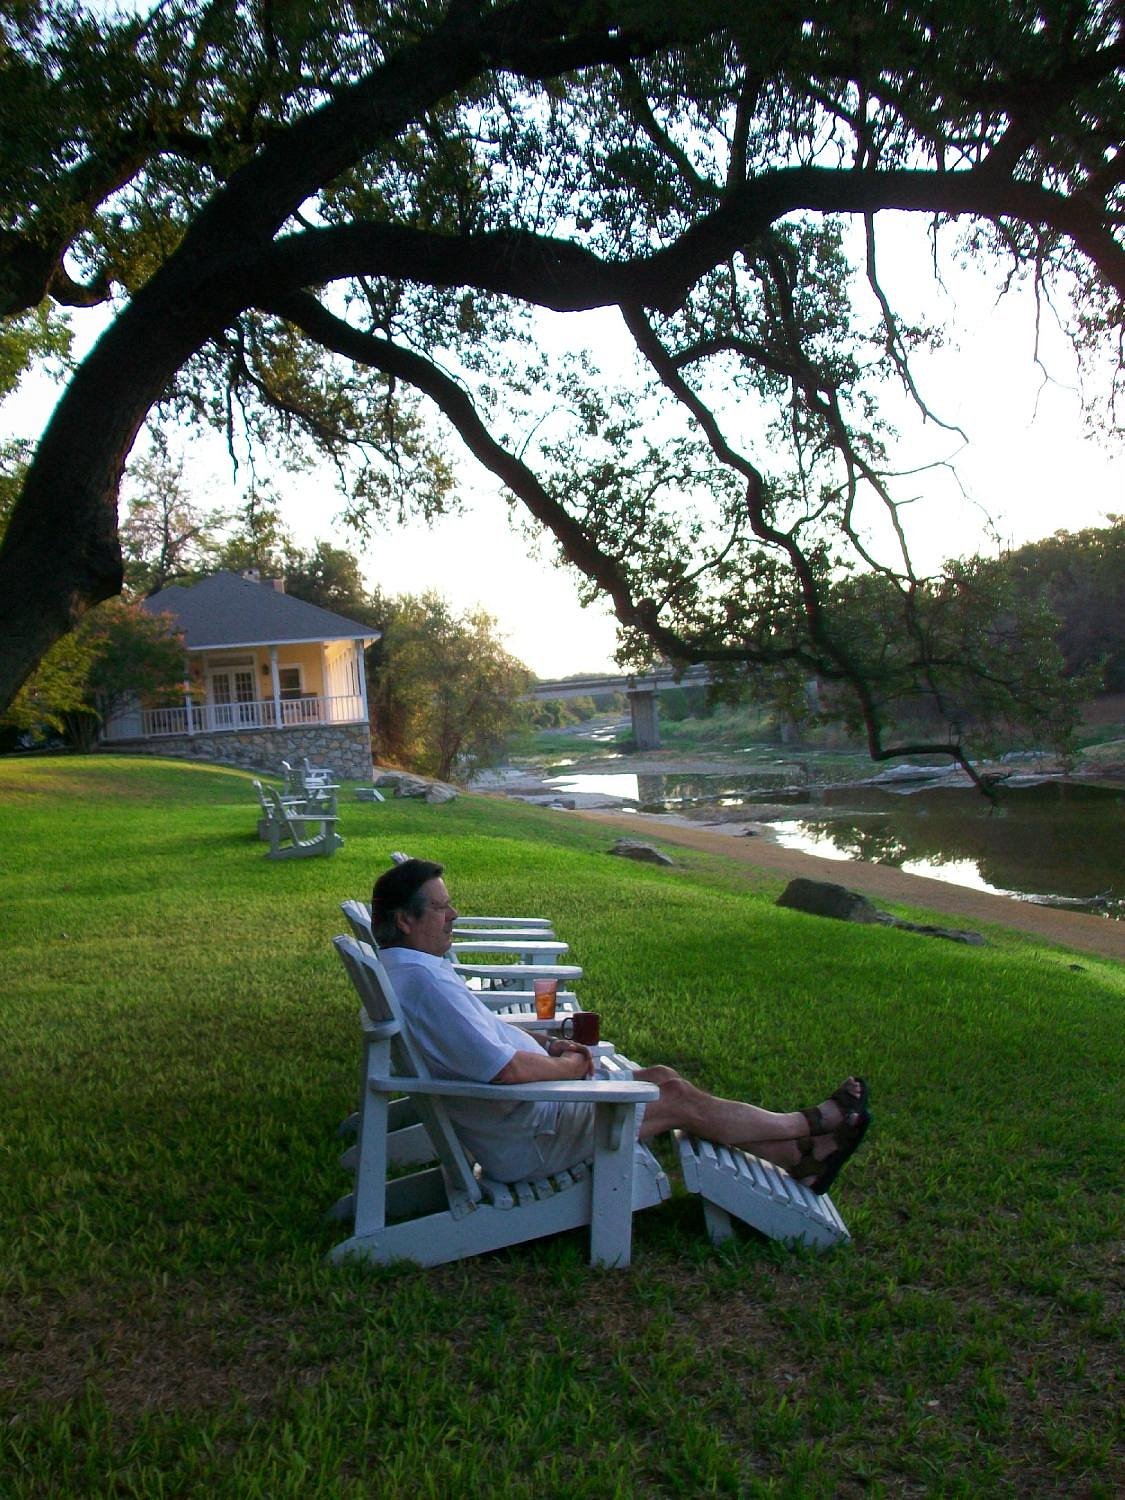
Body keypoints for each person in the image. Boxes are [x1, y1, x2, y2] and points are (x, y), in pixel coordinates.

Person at [370, 859, 871, 1191]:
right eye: (440, 908)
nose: (454, 915)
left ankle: (797, 1156)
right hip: (530, 1139)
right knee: (670, 1097)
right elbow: (505, 1073)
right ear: (405, 920)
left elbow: (487, 1043)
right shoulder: (424, 985)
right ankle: (804, 1127)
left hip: (531, 1118)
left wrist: (545, 1043)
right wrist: (571, 1065)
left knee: (662, 1078)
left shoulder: (415, 970)